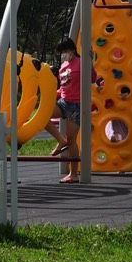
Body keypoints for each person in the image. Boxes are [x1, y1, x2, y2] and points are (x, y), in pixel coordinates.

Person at [53, 38, 83, 183]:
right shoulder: (64, 65)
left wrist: (90, 65)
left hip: (76, 105)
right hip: (64, 102)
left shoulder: (81, 62)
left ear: (71, 50)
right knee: (43, 115)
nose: (63, 55)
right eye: (61, 53)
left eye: (64, 52)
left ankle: (73, 174)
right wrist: (55, 93)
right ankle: (60, 139)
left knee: (72, 141)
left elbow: (92, 78)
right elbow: (64, 86)